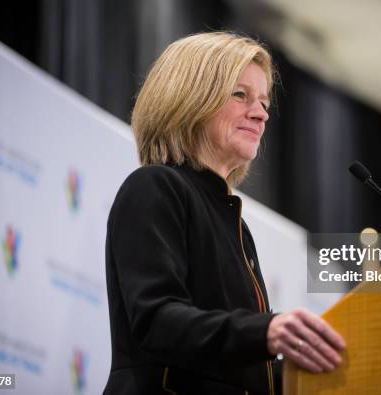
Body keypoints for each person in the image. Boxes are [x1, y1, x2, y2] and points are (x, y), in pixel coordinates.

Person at [103, 32, 345, 395]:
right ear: (189, 97)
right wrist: (266, 331)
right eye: (240, 95)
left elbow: (238, 365)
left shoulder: (236, 225)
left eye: (263, 101)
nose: (261, 113)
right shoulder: (155, 188)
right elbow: (157, 321)